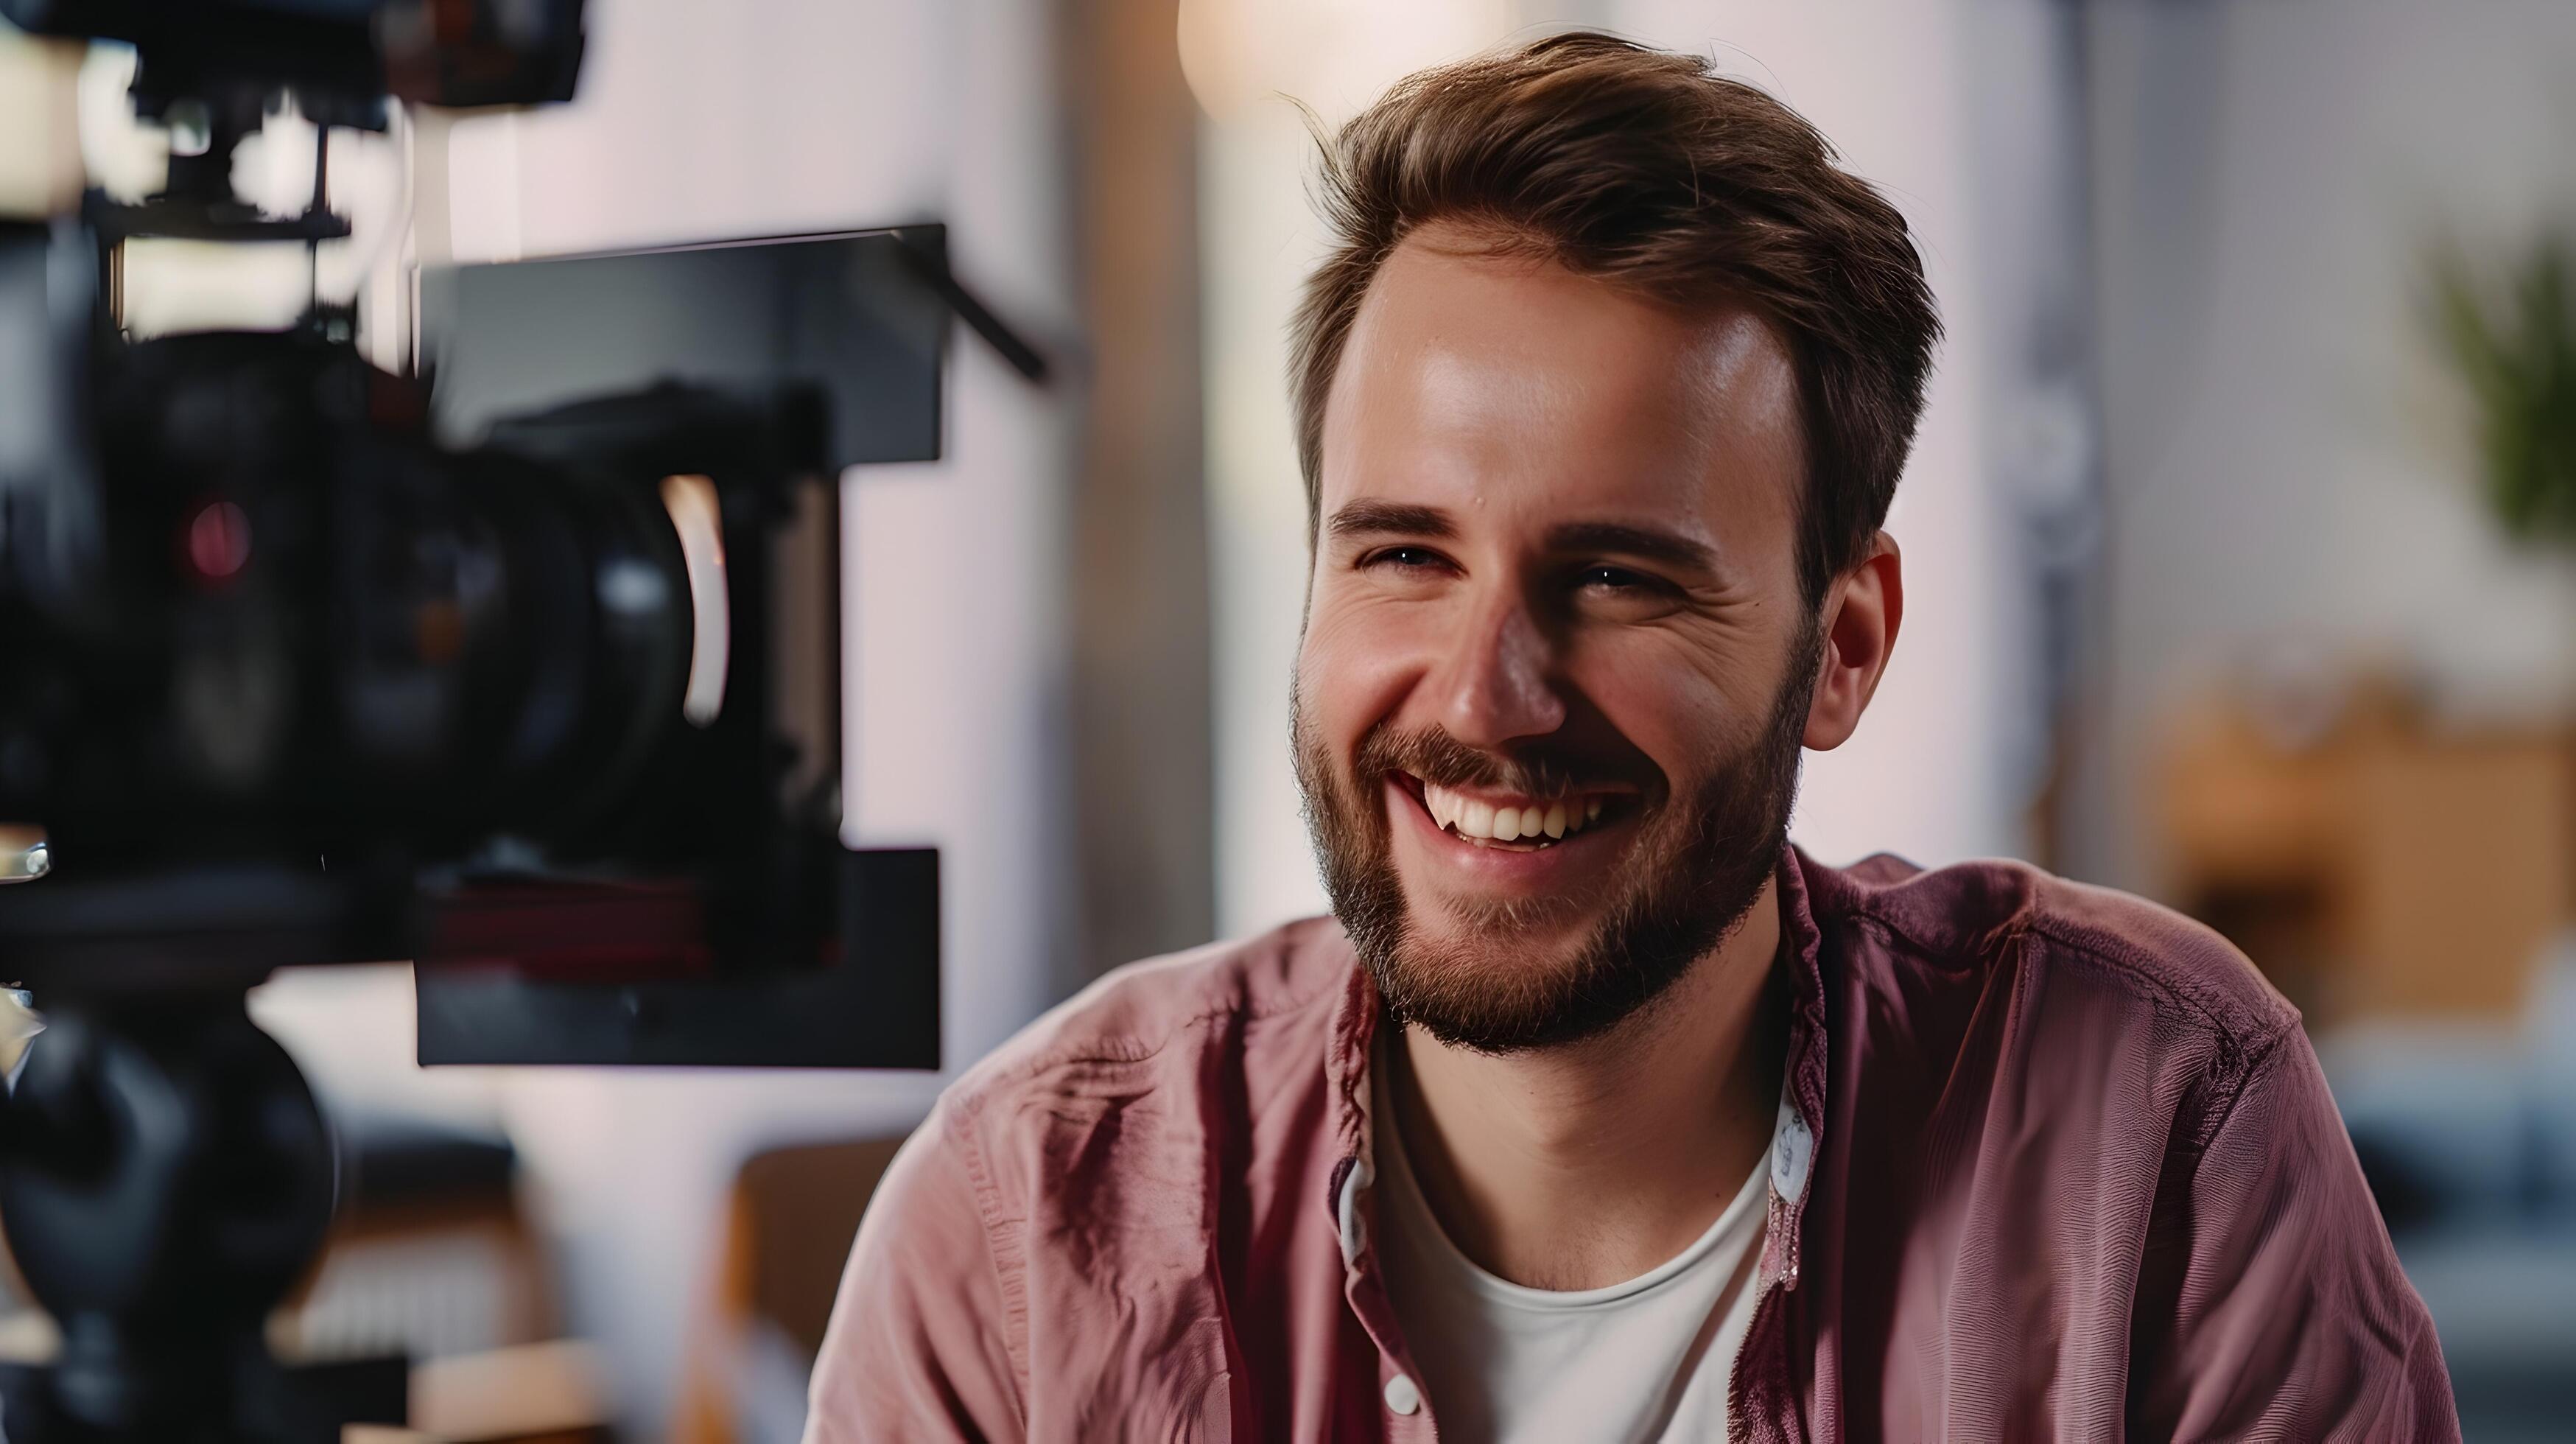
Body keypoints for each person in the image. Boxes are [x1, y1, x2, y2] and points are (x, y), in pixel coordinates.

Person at [804, 31, 2457, 1443]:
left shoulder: (2159, 1129)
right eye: (1403, 553)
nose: (1483, 696)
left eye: (1617, 575)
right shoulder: (1023, 1229)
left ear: (1844, 646)